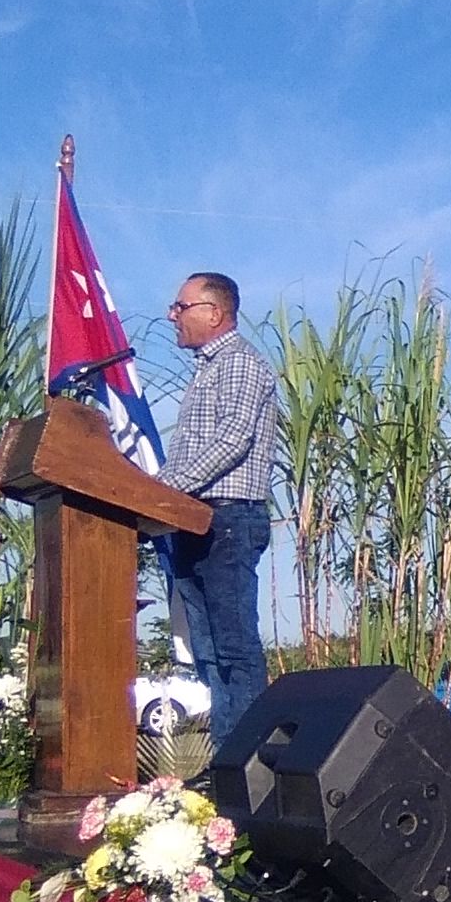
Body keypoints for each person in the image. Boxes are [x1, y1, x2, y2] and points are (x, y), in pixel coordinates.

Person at [156, 271, 279, 749]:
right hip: (190, 519)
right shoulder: (207, 370)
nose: (172, 315)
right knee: (207, 652)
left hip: (226, 518)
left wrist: (167, 491)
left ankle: (248, 764)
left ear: (214, 312)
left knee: (234, 648)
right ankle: (226, 758)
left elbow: (232, 441)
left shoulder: (241, 364)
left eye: (180, 306)